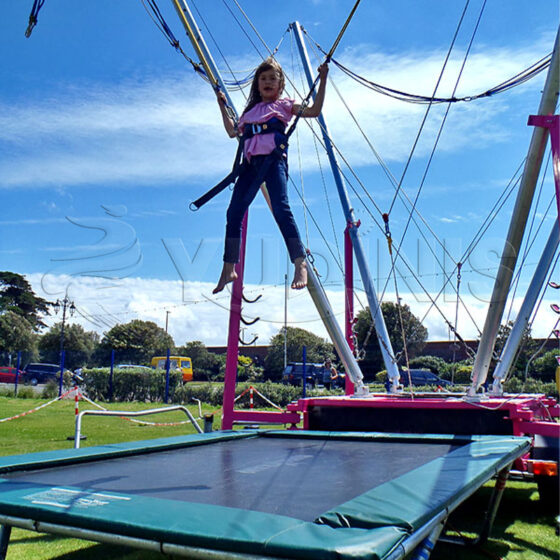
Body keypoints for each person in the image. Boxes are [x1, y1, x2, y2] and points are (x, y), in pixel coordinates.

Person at [213, 57, 329, 294]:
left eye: (272, 78)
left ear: (280, 84)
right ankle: (229, 267)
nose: (267, 82)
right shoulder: (249, 112)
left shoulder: (285, 105)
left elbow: (315, 111)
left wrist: (323, 79)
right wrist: (221, 105)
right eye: (263, 78)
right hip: (249, 166)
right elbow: (231, 131)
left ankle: (300, 262)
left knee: (281, 209)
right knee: (233, 213)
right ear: (257, 84)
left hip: (273, 161)